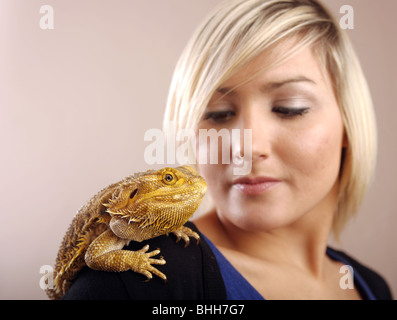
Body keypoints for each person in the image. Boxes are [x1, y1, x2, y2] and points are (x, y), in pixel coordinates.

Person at [63, 0, 392, 299]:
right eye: (217, 114)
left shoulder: (371, 286)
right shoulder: (133, 282)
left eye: (289, 108)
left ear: (348, 124)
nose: (245, 148)